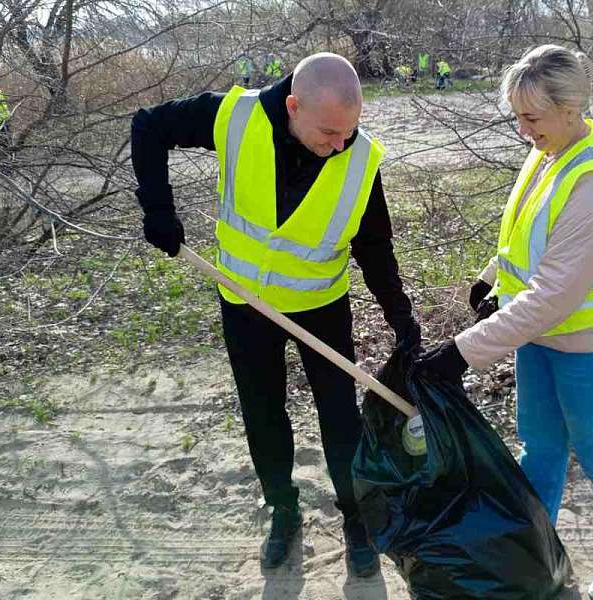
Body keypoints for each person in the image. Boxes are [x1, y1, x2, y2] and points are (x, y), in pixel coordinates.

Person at [130, 52, 421, 578]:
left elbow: (374, 246)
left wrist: (400, 315)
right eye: (328, 132)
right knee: (262, 413)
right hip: (244, 303)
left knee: (339, 418)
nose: (339, 145)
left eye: (348, 133)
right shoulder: (233, 117)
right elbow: (148, 126)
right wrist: (156, 207)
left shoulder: (359, 158)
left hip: (319, 307)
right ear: (292, 105)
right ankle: (283, 510)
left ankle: (355, 517)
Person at [414, 45, 593, 600]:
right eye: (518, 117)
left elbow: (553, 294)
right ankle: (533, 551)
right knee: (540, 449)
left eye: (532, 117)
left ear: (571, 108)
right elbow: (526, 235)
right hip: (543, 339)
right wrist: (490, 280)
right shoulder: (549, 152)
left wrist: (462, 354)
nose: (523, 130)